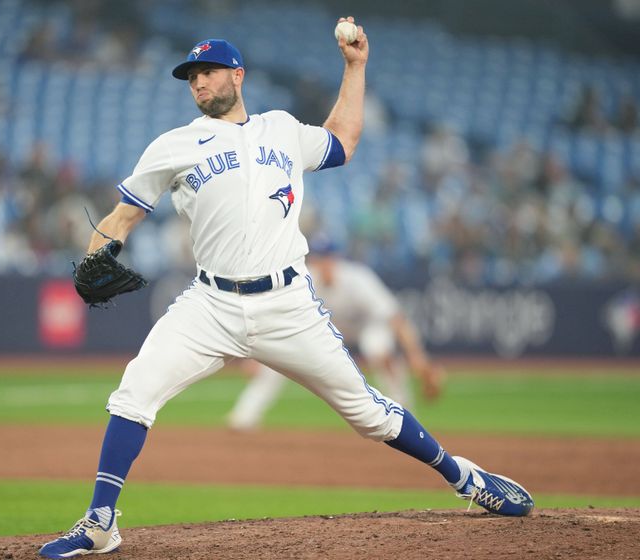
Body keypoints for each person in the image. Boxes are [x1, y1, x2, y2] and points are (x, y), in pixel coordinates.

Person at [40, 17, 534, 559]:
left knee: (368, 414)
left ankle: (464, 476)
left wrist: (355, 66)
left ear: (238, 75)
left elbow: (343, 140)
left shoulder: (281, 128)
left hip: (288, 304)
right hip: (210, 303)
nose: (198, 82)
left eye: (207, 71)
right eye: (191, 76)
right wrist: (94, 255)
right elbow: (122, 215)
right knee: (134, 392)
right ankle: (100, 522)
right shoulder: (173, 145)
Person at [227, 236, 444, 431]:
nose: (324, 263)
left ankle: (402, 411)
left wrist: (418, 359)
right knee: (276, 358)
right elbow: (279, 318)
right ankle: (245, 416)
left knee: (376, 346)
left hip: (365, 326)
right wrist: (256, 356)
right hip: (327, 329)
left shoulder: (358, 278)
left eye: (328, 257)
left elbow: (395, 318)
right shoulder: (305, 279)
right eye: (319, 258)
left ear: (337, 259)